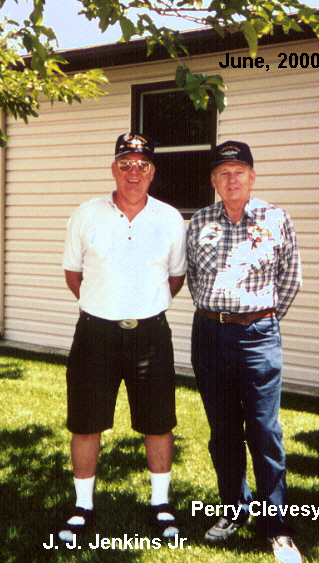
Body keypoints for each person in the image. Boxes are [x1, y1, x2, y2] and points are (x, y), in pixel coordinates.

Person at [59, 132, 187, 542]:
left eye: (142, 165)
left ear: (153, 172)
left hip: (150, 333)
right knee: (85, 420)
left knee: (158, 421)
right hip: (96, 333)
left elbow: (176, 275)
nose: (134, 171)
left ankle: (161, 504)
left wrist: (140, 304)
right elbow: (73, 274)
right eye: (126, 163)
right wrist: (106, 305)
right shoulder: (85, 213)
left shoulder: (169, 218)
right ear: (114, 168)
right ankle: (82, 506)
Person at [187, 141, 302, 563]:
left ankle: (277, 528)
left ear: (252, 177)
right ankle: (234, 509)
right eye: (223, 173)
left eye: (239, 171)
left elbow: (290, 277)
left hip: (259, 336)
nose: (231, 179)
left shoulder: (276, 218)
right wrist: (218, 315)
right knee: (222, 430)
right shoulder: (199, 221)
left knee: (264, 430)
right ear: (214, 181)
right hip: (209, 335)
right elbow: (195, 277)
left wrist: (260, 319)